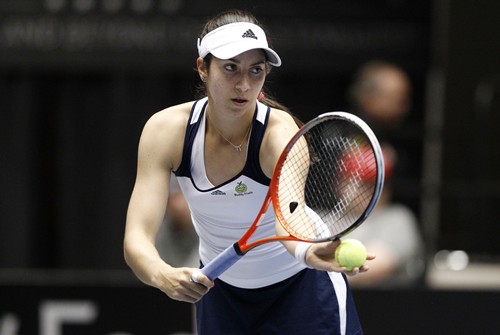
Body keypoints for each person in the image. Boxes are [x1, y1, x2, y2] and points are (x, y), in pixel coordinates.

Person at [124, 9, 371, 334]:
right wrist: (162, 275)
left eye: (256, 71)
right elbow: (137, 237)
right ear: (202, 68)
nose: (244, 84)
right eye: (230, 68)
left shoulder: (278, 135)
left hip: (301, 288)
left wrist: (309, 251)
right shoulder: (165, 131)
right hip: (221, 293)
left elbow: (290, 214)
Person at [345, 143, 425, 288]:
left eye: (374, 184)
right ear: (342, 183)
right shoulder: (323, 218)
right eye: (360, 183)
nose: (368, 191)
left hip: (384, 305)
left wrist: (321, 273)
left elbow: (378, 264)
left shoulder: (398, 218)